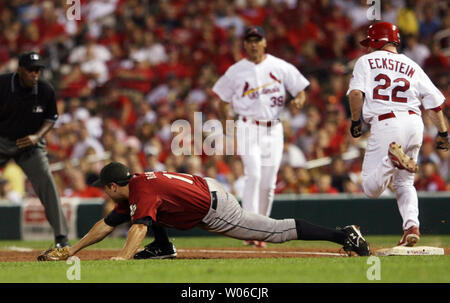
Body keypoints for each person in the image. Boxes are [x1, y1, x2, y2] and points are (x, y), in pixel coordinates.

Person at [37, 162, 370, 261]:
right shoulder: (136, 186)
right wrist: (72, 251)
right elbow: (107, 224)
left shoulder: (141, 189)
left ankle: (343, 235)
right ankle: (163, 247)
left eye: (105, 187)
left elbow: (137, 229)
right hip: (203, 189)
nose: (105, 193)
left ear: (112, 185)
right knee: (149, 213)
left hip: (214, 207)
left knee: (275, 231)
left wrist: (124, 258)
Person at [347, 22, 449, 247]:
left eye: (370, 43)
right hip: (414, 122)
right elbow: (434, 104)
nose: (367, 48)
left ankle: (391, 159)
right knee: (404, 183)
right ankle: (411, 227)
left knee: (371, 189)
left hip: (386, 123)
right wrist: (442, 132)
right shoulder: (411, 64)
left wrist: (356, 120)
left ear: (376, 41)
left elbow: (355, 93)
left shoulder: (366, 61)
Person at [212, 26, 310, 248]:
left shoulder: (279, 66)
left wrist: (300, 100)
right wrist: (227, 124)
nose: (254, 43)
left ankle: (263, 229)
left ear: (265, 42)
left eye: (257, 39)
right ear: (245, 44)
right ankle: (247, 227)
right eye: (250, 40)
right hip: (247, 126)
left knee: (269, 183)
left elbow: (301, 89)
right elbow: (222, 100)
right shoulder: (236, 70)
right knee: (254, 175)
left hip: (273, 129)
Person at [0, 51, 69, 247]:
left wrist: (37, 136)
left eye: (38, 70)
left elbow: (51, 118)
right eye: (30, 70)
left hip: (30, 144)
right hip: (2, 141)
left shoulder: (46, 90)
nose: (35, 74)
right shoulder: (3, 84)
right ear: (20, 70)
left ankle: (62, 239)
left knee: (46, 182)